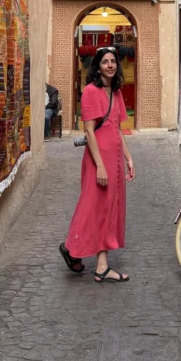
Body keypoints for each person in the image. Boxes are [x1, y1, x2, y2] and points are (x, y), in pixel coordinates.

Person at [59, 47, 135, 283]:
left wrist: (128, 158)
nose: (110, 65)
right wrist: (100, 166)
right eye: (105, 62)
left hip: (114, 160)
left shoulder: (116, 92)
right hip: (98, 159)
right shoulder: (91, 91)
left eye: (113, 61)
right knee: (92, 206)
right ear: (98, 67)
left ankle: (101, 265)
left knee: (108, 208)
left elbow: (117, 129)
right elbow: (90, 132)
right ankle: (72, 247)